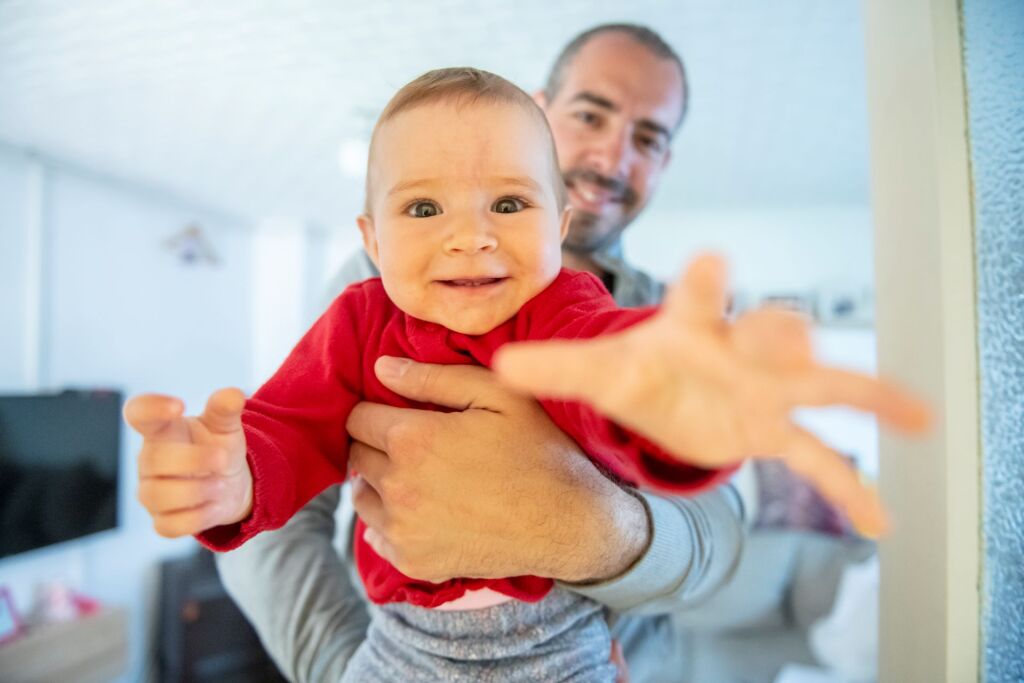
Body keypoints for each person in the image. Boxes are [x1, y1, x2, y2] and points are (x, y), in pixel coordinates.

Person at [201, 24, 923, 682]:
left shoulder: (649, 325)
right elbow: (278, 487)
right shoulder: (373, 298)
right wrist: (344, 664)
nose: (613, 155)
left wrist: (591, 522)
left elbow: (717, 530)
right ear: (540, 111)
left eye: (649, 137)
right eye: (591, 114)